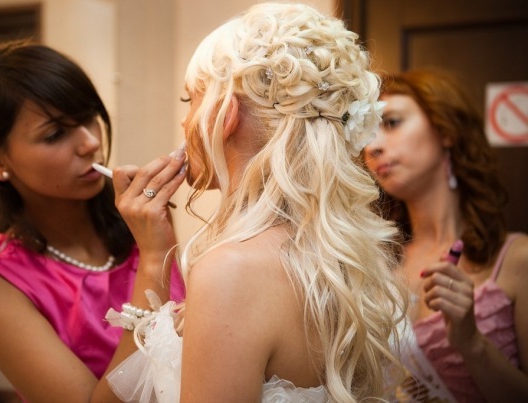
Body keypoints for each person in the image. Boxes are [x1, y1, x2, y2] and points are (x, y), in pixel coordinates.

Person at [101, 3, 407, 402]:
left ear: (224, 114)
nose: (185, 122)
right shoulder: (346, 258)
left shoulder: (231, 271)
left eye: (190, 100)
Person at [0, 39, 186, 402]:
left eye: (89, 117)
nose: (90, 142)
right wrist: (154, 258)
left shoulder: (139, 222)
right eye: (55, 134)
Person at [363, 68, 528, 402]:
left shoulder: (517, 258)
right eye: (366, 132)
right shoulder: (374, 263)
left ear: (446, 131)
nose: (373, 146)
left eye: (392, 122)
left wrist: (472, 343)